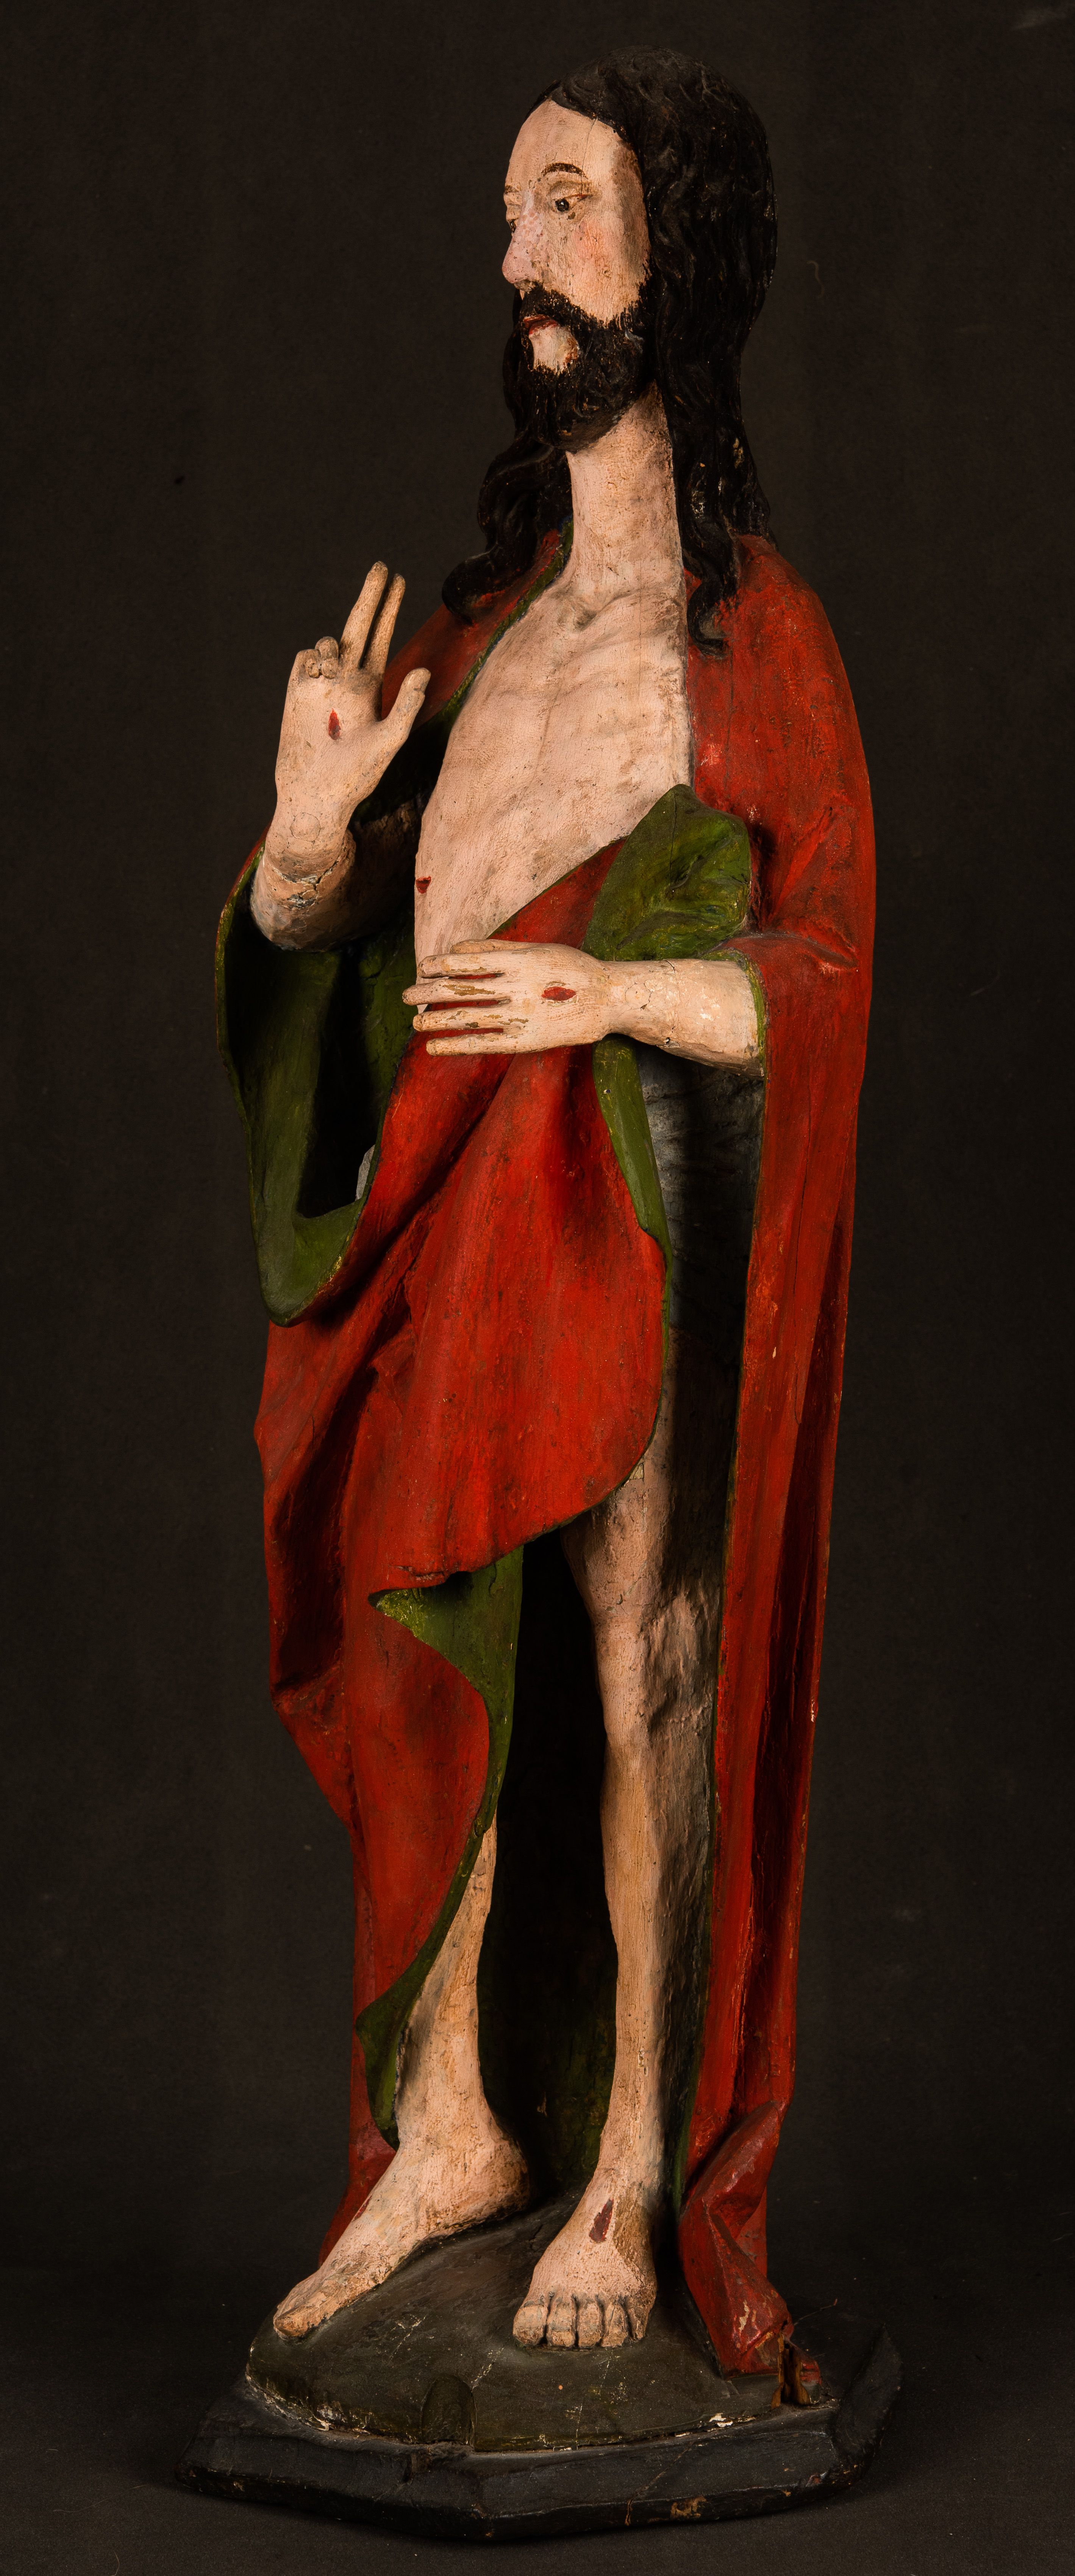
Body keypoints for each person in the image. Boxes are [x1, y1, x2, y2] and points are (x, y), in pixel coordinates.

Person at [219, 50, 873, 2367]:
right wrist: (310, 837)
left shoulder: (747, 646)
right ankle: (447, 2127)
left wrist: (615, 987)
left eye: (566, 207)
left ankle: (625, 2167)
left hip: (628, 1226)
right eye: (511, 211)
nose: (516, 255)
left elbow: (823, 974)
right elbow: (336, 960)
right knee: (431, 1646)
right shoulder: (471, 645)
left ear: (674, 260)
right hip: (440, 1234)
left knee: (636, 1650)